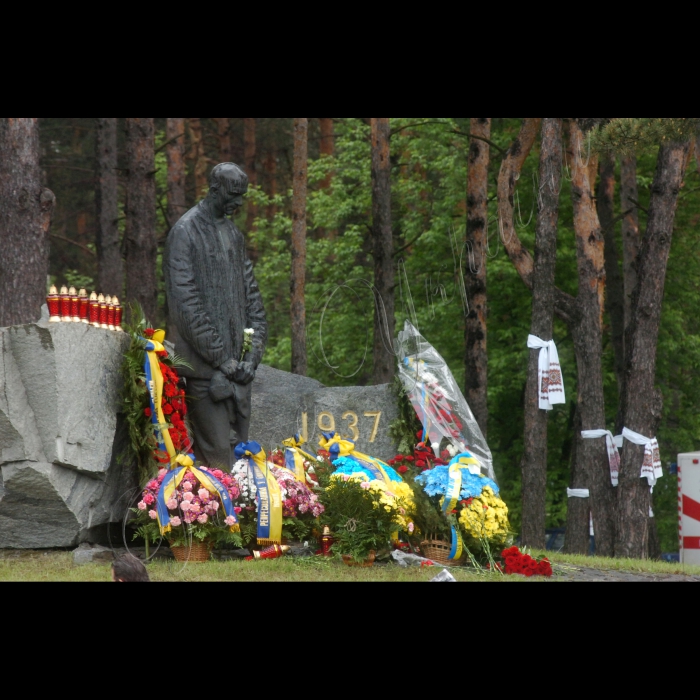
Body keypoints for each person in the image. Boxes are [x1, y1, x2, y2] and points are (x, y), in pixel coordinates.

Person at [164, 163, 268, 470]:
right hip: (205, 371)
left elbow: (252, 297)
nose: (238, 202)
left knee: (243, 462)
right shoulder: (184, 232)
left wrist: (253, 356)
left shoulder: (233, 234)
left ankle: (237, 519)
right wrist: (222, 358)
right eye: (233, 194)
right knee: (218, 462)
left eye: (243, 195)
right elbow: (185, 304)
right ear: (215, 189)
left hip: (240, 373)